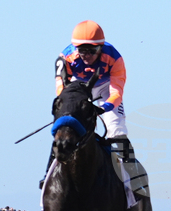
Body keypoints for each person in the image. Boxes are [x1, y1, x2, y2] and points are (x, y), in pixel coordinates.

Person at [42, 20, 131, 188]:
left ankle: (132, 179)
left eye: (91, 51)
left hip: (106, 88)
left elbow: (116, 93)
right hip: (78, 88)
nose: (86, 55)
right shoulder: (66, 58)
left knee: (116, 129)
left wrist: (103, 108)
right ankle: (48, 175)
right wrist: (70, 109)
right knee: (64, 128)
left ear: (101, 48)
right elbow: (61, 89)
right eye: (82, 50)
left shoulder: (115, 59)